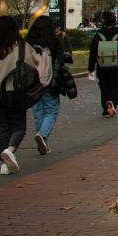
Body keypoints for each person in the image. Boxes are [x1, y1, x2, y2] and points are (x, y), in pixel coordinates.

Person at [0, 16, 52, 175]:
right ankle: (10, 149)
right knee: (18, 126)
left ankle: (4, 165)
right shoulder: (20, 46)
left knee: (3, 128)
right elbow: (35, 63)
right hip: (14, 92)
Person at [26, 18, 72, 155]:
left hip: (31, 82)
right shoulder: (54, 42)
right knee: (51, 110)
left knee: (38, 111)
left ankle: (42, 139)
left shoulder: (28, 43)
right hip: (49, 81)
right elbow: (61, 61)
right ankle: (42, 135)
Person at [89, 11, 118, 117]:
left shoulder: (98, 35)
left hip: (102, 65)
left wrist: (91, 67)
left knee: (104, 87)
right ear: (115, 21)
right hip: (116, 65)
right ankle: (112, 102)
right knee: (117, 86)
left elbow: (93, 51)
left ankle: (105, 109)